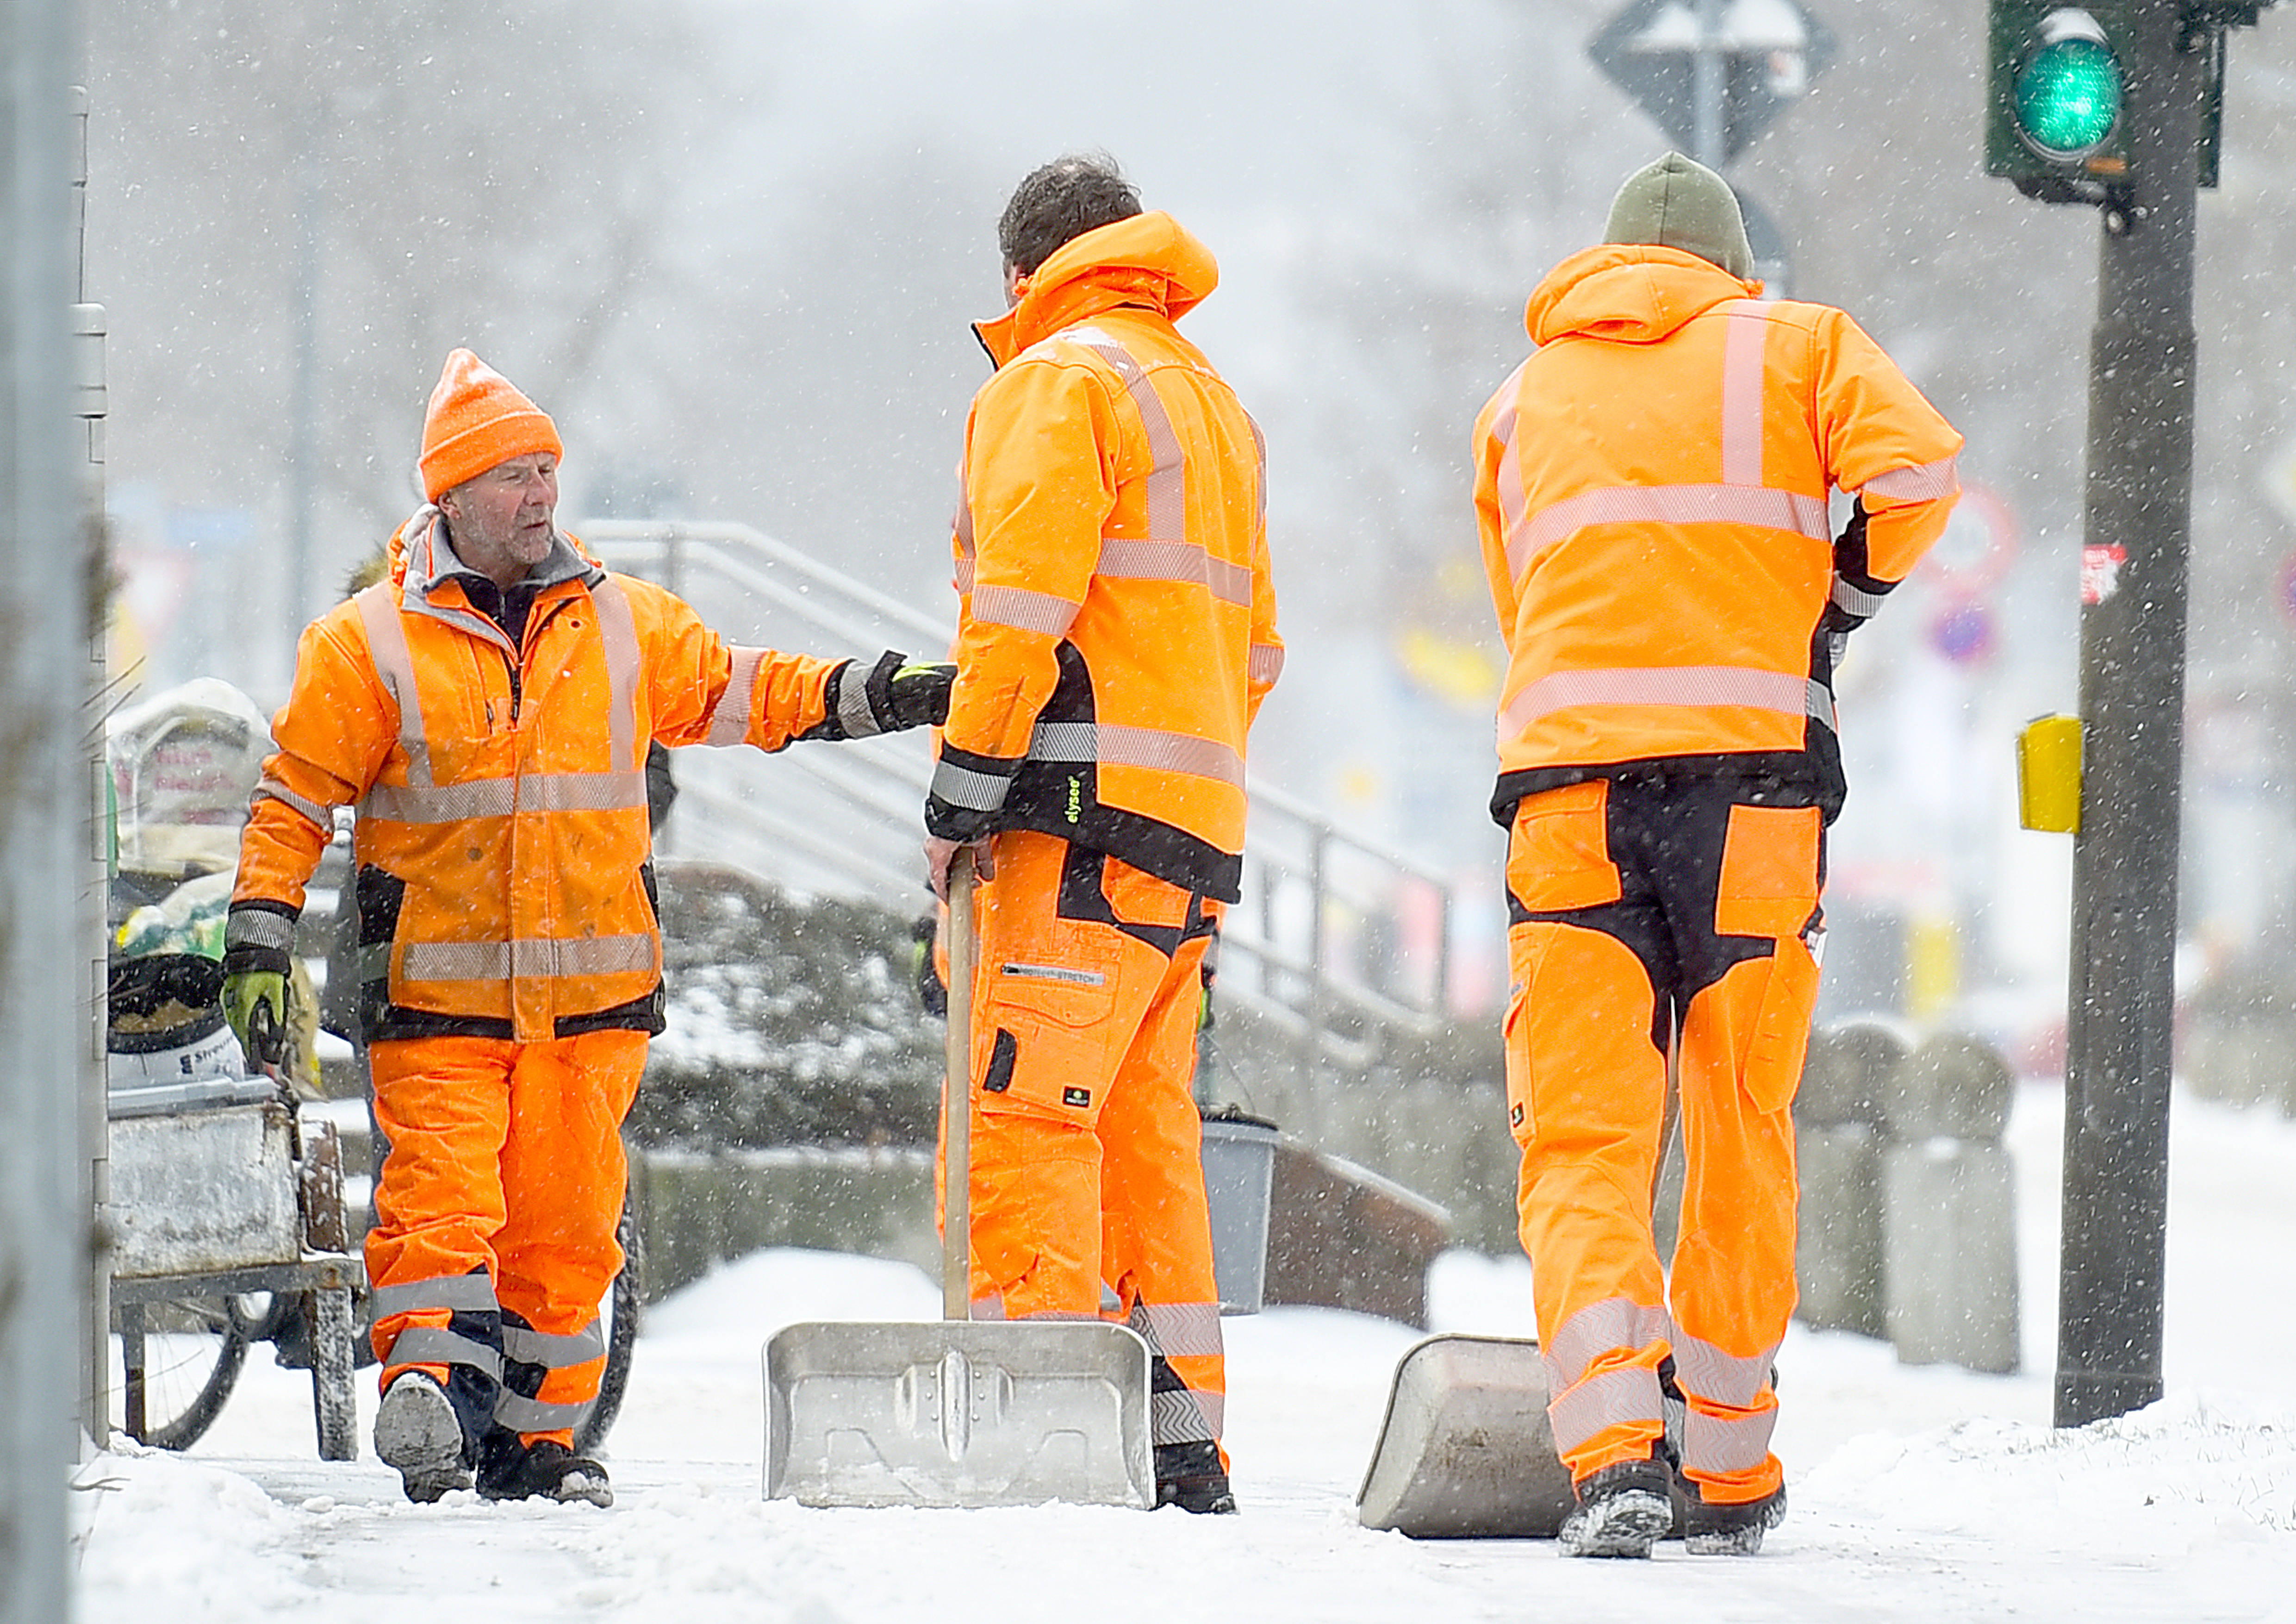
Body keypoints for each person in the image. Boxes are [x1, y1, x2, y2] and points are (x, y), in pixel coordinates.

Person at [221, 349, 952, 1506]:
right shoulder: (364, 646)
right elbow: (294, 794)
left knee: (566, 1240)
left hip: (590, 1014)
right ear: (450, 496)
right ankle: (434, 1396)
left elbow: (746, 690)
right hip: (437, 1004)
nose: (540, 492)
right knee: (442, 1208)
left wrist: (884, 691)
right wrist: (259, 924)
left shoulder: (627, 623)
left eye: (548, 468)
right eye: (514, 473)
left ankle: (539, 1442)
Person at [1472, 153, 1962, 1558]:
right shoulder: (1798, 345)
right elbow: (1919, 469)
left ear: (1607, 261)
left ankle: (1612, 1456)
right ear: (1731, 266)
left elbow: (1529, 598)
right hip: (1751, 793)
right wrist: (1837, 593)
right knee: (1739, 1112)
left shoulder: (1519, 399)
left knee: (1581, 1133)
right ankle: (1731, 1468)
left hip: (1567, 794)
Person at [920, 155, 1282, 1514]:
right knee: (1143, 1138)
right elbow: (1257, 646)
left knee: (1025, 1120)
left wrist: (962, 799)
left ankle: (1042, 1438)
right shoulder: (1212, 405)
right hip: (1187, 833)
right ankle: (1182, 1443)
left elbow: (1016, 616)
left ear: (1022, 277)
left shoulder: (1052, 383)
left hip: (1067, 829)